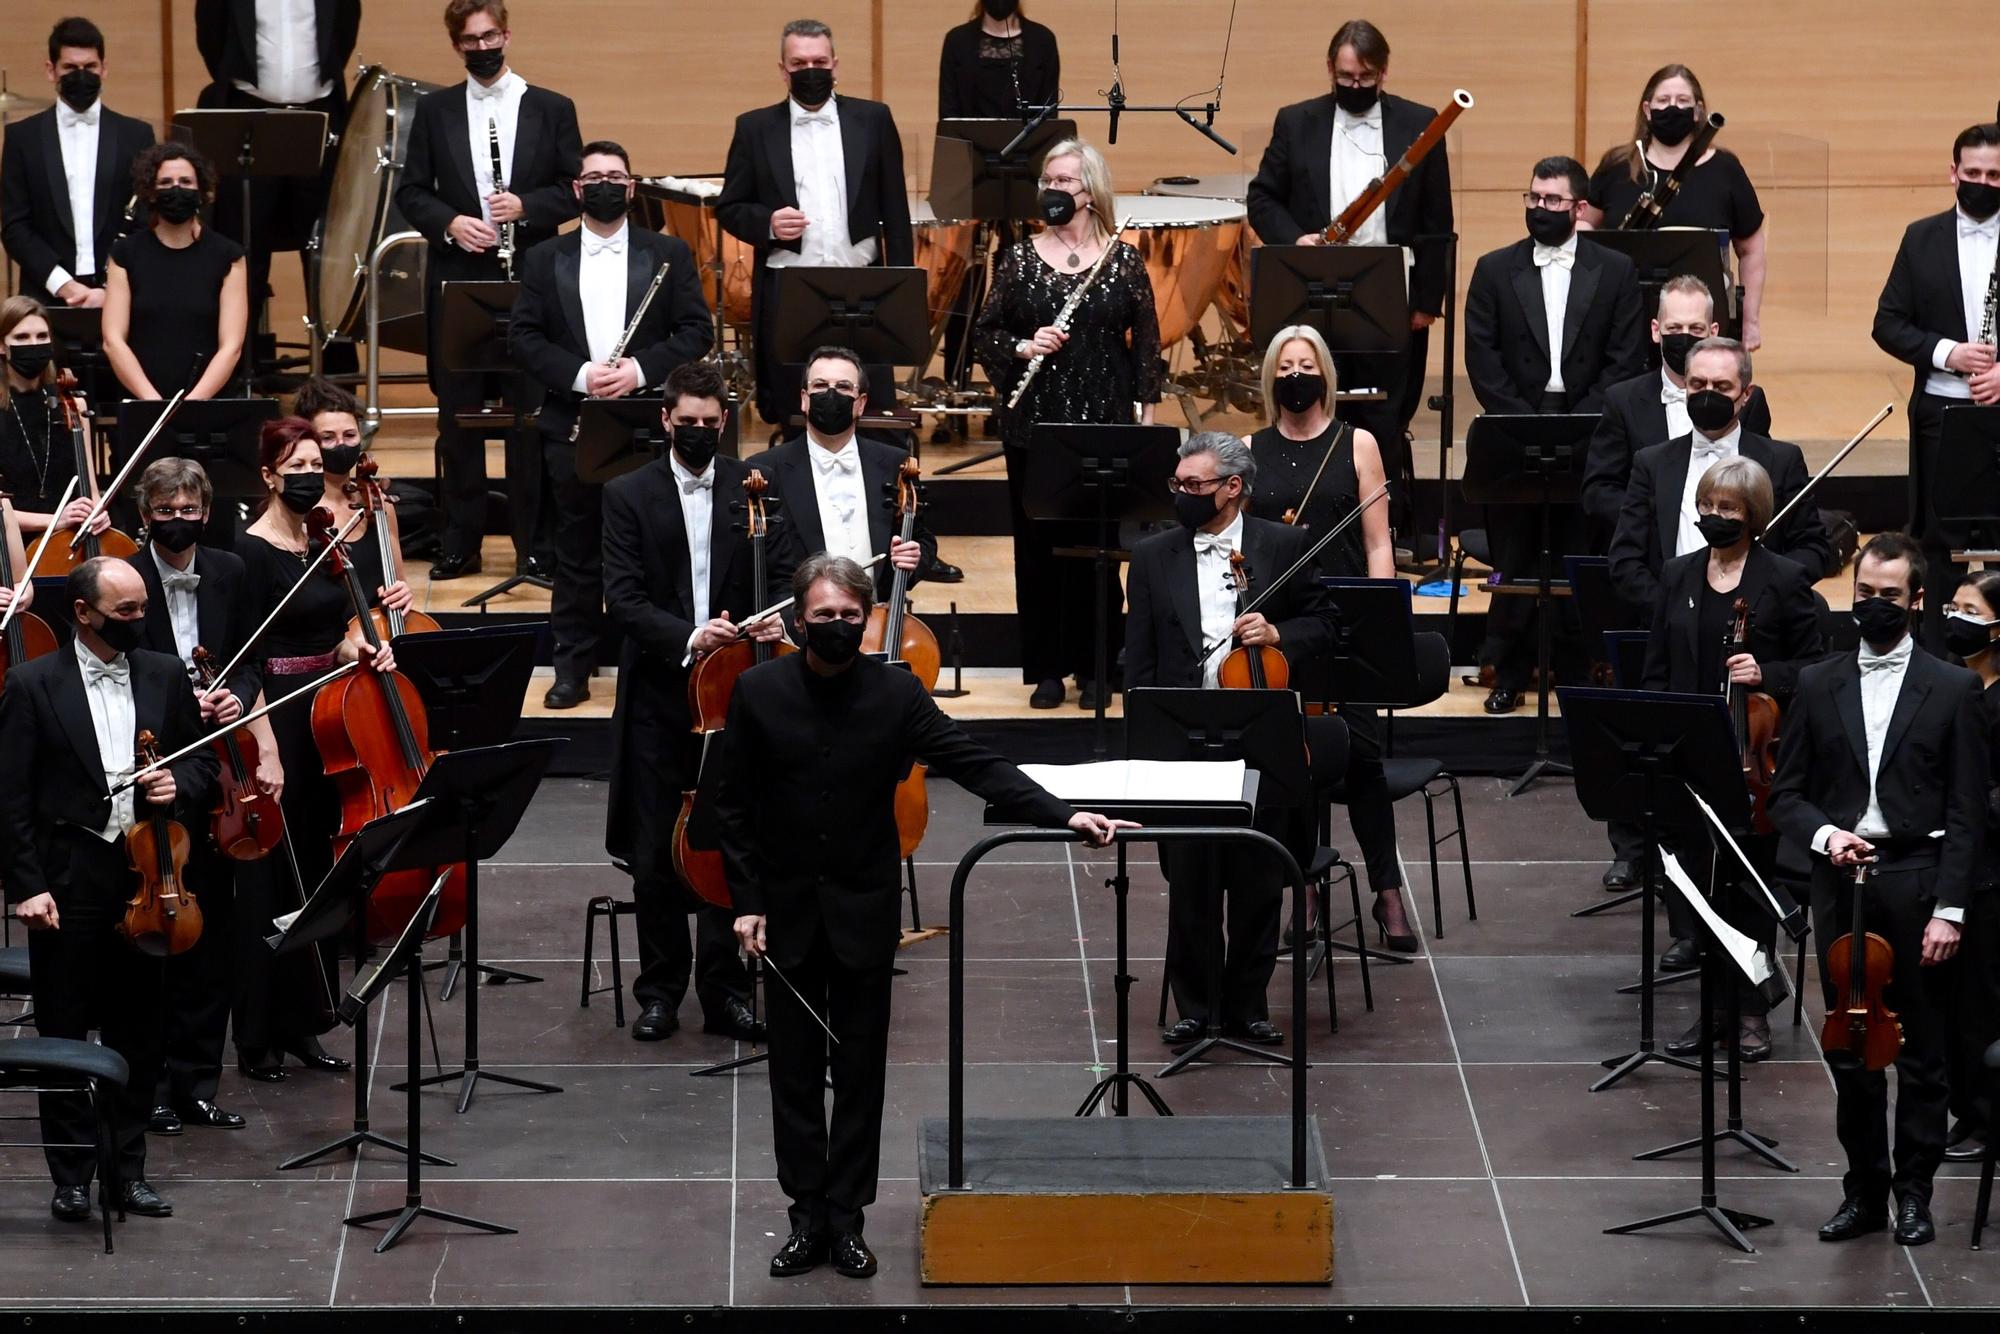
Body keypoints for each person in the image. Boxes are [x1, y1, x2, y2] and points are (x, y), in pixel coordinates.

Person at [717, 552, 1128, 1280]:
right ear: (796, 621)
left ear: (867, 618)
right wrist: (746, 902)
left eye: (850, 617)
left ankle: (846, 1219)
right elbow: (734, 806)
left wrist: (1062, 814)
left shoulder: (895, 694)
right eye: (824, 618)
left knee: (860, 1072)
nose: (838, 628)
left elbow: (974, 761)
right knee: (793, 1075)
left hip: (862, 908)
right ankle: (805, 1216)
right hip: (784, 913)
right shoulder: (757, 690)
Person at [1771, 533, 1987, 1248]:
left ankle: (1915, 1194)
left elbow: (1965, 811)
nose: (1874, 607)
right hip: (1845, 885)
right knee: (1853, 1050)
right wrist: (1828, 837)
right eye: (1865, 594)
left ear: (1916, 601)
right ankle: (1863, 1191)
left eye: (1889, 598)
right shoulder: (1815, 682)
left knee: (1923, 1055)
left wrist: (1951, 909)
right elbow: (1787, 794)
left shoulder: (1953, 688)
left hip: (1918, 884)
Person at [0, 557, 219, 1225]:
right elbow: (9, 799)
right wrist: (26, 888)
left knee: (139, 1031)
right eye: (124, 611)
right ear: (84, 613)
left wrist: (179, 785)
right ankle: (70, 1174)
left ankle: (127, 1173)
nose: (139, 619)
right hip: (71, 877)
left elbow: (204, 761)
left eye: (143, 607)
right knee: (65, 1029)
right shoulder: (33, 684)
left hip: (148, 873)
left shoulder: (162, 673)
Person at [1125, 434, 1341, 1031]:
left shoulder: (1284, 546)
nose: (1182, 495)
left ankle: (1247, 1008)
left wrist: (1278, 637)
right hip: (1185, 735)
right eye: (1178, 485)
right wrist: (1142, 747)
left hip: (1260, 731)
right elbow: (1138, 659)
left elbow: (1324, 624)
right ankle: (1196, 1010)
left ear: (1233, 488)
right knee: (1191, 881)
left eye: (1193, 486)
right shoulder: (1152, 557)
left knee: (1257, 881)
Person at [602, 363, 771, 1045]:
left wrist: (767, 621)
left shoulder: (753, 487)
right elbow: (624, 597)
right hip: (660, 693)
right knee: (654, 852)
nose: (699, 432)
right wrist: (691, 635)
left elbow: (781, 572)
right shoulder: (627, 493)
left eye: (711, 423)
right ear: (665, 419)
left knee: (726, 842)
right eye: (688, 422)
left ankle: (726, 992)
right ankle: (660, 992)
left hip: (733, 694)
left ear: (723, 422)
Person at [509, 140, 712, 709]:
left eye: (615, 176)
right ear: (577, 189)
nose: (604, 184)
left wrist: (641, 371)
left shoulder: (668, 251)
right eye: (592, 176)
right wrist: (581, 375)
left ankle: (662, 662)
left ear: (631, 186)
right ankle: (572, 668)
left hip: (644, 422)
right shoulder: (545, 259)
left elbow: (697, 331)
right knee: (574, 553)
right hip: (572, 422)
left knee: (656, 549)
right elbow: (523, 338)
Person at [233, 418, 404, 1079]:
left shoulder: (322, 542)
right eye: (295, 463)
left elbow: (332, 634)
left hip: (327, 719)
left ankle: (307, 1021)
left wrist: (357, 645)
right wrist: (266, 748)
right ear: (270, 475)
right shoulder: (248, 553)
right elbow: (246, 660)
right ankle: (257, 1036)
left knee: (317, 872)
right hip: (271, 721)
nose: (310, 472)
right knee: (269, 877)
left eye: (314, 462)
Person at [1241, 327, 1416, 945]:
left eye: (1305, 364)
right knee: (1293, 761)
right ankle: (1304, 887)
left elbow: (1376, 540)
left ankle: (1387, 890)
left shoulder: (1357, 443)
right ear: (1270, 377)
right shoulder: (1250, 448)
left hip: (1347, 622)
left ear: (1325, 375)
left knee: (1362, 758)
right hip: (1283, 626)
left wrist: (1384, 617)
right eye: (1284, 365)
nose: (1295, 375)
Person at [396, 0, 582, 580]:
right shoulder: (435, 110)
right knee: (459, 419)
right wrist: (452, 222)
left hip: (531, 278)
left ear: (507, 34)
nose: (482, 48)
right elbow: (411, 192)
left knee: (530, 415)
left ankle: (535, 548)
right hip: (461, 280)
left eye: (490, 36)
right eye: (470, 40)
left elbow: (573, 188)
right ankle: (461, 544)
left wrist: (525, 207)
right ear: (456, 45)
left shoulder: (552, 107)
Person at [973, 137, 1160, 709]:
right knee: (1039, 549)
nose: (1053, 190)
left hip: (1103, 425)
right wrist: (1026, 346)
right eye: (1048, 181)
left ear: (1091, 191)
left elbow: (1147, 343)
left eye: (1064, 182)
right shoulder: (1019, 257)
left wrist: (1146, 416)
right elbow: (985, 333)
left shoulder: (1123, 258)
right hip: (1035, 428)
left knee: (1100, 551)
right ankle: (1049, 669)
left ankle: (1100, 667)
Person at [1246, 18, 1454, 527]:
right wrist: (1298, 239)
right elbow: (1262, 197)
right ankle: (1307, 521)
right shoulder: (1296, 122)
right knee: (1315, 409)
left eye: (1364, 78)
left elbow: (1436, 220)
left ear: (1383, 72)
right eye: (1345, 77)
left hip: (1390, 292)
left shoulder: (1419, 122)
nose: (1354, 87)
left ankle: (1383, 528)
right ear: (1330, 70)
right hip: (1313, 291)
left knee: (1385, 413)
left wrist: (1427, 302)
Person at [1639, 457, 1824, 1027]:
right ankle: (1712, 1010)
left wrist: (1765, 673)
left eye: (1728, 508)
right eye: (1707, 506)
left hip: (1753, 760)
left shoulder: (1784, 579)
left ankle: (1751, 1013)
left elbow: (1816, 668)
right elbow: (1657, 666)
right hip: (1691, 752)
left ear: (1754, 516)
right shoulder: (1678, 574)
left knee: (1748, 886)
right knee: (1697, 884)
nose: (1713, 516)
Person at [1463, 155, 1646, 715]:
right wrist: (1522, 422)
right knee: (1516, 553)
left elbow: (1625, 356)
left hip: (1590, 425)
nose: (1539, 209)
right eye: (1533, 198)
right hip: (1514, 424)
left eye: (1552, 200)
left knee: (1578, 549)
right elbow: (1482, 357)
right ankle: (1511, 670)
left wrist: (1582, 424)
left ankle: (1577, 670)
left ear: (1578, 207)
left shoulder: (1615, 270)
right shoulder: (1494, 269)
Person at [125, 457, 272, 1132]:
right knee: (154, 937)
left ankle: (197, 1081)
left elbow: (249, 652)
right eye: (165, 511)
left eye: (189, 510)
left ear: (206, 512)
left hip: (215, 770)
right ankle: (148, 1084)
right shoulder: (125, 575)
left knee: (209, 928)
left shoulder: (231, 570)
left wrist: (233, 694)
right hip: (151, 758)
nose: (178, 520)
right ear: (146, 514)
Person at [716, 17, 913, 428]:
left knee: (869, 406)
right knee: (795, 408)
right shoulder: (753, 127)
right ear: (782, 69)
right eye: (799, 63)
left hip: (863, 285)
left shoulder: (873, 119)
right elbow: (730, 206)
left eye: (819, 61)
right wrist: (768, 223)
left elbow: (896, 209)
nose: (810, 71)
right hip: (791, 288)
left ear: (835, 64)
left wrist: (904, 284)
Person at [1872, 122, 2000, 652]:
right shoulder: (1920, 237)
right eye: (1973, 172)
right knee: (1936, 544)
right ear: (1953, 173)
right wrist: (1950, 352)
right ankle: (1939, 660)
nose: (1983, 182)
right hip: (1942, 417)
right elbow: (1888, 324)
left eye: (1995, 175)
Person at [1608, 337, 1834, 623]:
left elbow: (1814, 549)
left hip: (1758, 625)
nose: (1708, 394)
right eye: (1698, 385)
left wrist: (1764, 596)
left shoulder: (1782, 461)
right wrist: (1671, 608)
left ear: (1747, 394)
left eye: (1722, 387)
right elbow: (1626, 560)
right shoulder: (1650, 463)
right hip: (1672, 626)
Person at [195, 0, 361, 372]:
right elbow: (212, 40)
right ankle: (240, 375)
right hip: (248, 114)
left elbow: (343, 35)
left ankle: (337, 381)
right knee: (244, 250)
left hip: (320, 116)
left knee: (328, 255)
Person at [1579, 64, 1768, 352]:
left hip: (1704, 323)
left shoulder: (1725, 170)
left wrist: (1750, 321)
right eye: (1663, 101)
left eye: (1682, 101)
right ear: (1646, 108)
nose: (1672, 108)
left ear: (1698, 111)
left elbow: (1752, 249)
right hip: (1623, 318)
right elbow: (1584, 226)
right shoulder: (1617, 166)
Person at [1581, 275, 1773, 544]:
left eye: (1695, 329)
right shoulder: (1623, 401)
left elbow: (1763, 480)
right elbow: (1599, 491)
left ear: (1713, 331)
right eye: (1674, 328)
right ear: (1656, 330)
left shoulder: (1748, 402)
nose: (1684, 337)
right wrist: (1656, 522)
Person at [0, 17, 155, 311]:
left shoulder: (137, 135)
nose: (81, 76)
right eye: (70, 68)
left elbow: (145, 220)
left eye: (90, 67)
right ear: (51, 70)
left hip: (121, 294)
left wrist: (111, 287)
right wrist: (64, 285)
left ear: (104, 68)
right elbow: (15, 226)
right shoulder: (22, 137)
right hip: (45, 297)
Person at [761, 346, 933, 603]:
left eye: (843, 386)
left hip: (879, 622)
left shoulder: (895, 463)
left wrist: (913, 560)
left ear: (861, 403)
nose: (830, 393)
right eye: (820, 385)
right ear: (804, 399)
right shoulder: (767, 469)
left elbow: (923, 540)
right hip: (799, 630)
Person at [101, 143, 248, 401]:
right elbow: (113, 340)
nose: (176, 189)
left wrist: (192, 403)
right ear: (151, 192)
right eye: (166, 182)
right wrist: (153, 403)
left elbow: (231, 346)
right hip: (142, 401)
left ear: (201, 191)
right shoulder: (125, 254)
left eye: (186, 181)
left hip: (208, 403)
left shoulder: (229, 256)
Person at [1939, 570, 2000, 1165]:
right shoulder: (1956, 685)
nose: (1955, 617)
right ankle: (1966, 1110)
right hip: (1953, 855)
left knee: (1983, 999)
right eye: (1953, 605)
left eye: (1970, 609)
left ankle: (1989, 1118)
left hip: (1991, 866)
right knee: (1954, 1004)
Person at [0, 295, 104, 544]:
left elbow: (90, 488)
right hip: (10, 544)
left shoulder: (73, 406)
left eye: (42, 336)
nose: (34, 344)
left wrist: (98, 512)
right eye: (22, 338)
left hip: (69, 538)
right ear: (2, 346)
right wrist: (55, 520)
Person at [293, 377, 412, 584]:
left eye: (349, 435)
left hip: (376, 616)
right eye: (328, 437)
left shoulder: (379, 505)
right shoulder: (297, 512)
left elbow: (399, 583)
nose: (341, 445)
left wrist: (401, 596)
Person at [938, 0, 1059, 120]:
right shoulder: (957, 41)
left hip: (1031, 137)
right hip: (969, 137)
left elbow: (1048, 112)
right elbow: (948, 112)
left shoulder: (1042, 41)